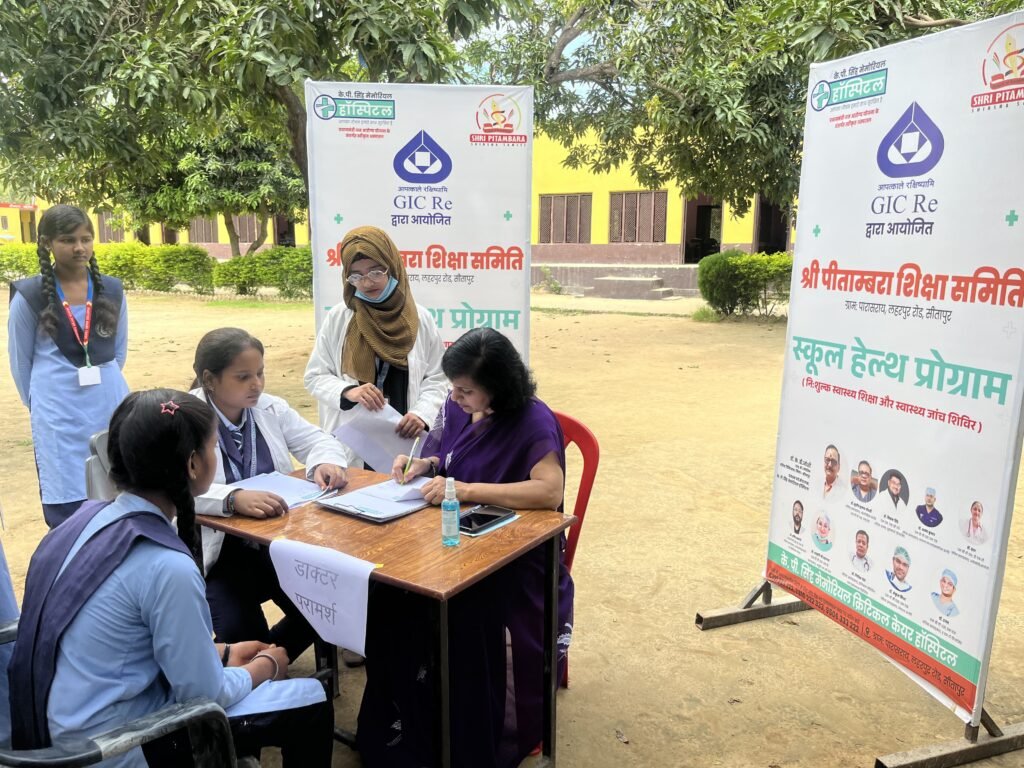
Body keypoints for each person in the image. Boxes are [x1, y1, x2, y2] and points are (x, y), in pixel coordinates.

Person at [8, 389, 333, 766]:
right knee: (312, 700)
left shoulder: (84, 522)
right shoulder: (165, 564)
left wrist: (224, 653)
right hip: (115, 747)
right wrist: (266, 667)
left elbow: (121, 641)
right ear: (193, 464)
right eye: (213, 447)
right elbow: (205, 696)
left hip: (54, 731)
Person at [358, 327, 574, 768]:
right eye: (453, 387)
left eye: (466, 391)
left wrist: (465, 488)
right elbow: (448, 456)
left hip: (515, 553)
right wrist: (423, 464)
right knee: (388, 595)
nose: (454, 397)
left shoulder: (531, 420)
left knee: (455, 609)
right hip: (452, 538)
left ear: (499, 387)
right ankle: (409, 709)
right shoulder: (458, 407)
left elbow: (549, 492)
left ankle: (465, 719)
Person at [191, 328, 349, 661]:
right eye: (243, 377)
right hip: (220, 557)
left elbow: (319, 441)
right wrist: (232, 499)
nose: (257, 385)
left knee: (329, 610)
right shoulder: (185, 417)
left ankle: (269, 659)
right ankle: (262, 660)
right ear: (209, 379)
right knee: (240, 633)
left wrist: (325, 462)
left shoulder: (270, 408)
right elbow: (172, 487)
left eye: (260, 373)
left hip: (275, 547)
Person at [7, 204, 129, 528]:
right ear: (47, 243)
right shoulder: (30, 295)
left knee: (117, 486)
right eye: (68, 240)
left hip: (108, 402)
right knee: (67, 490)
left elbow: (117, 353)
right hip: (57, 409)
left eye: (85, 239)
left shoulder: (112, 290)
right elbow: (21, 362)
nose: (79, 248)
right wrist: (42, 404)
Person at [304, 225, 447, 466]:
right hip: (354, 442)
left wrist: (422, 413)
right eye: (356, 276)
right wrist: (347, 391)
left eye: (376, 272)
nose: (367, 282)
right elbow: (315, 377)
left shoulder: (420, 319)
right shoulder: (340, 318)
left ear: (392, 266)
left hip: (404, 437)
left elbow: (438, 378)